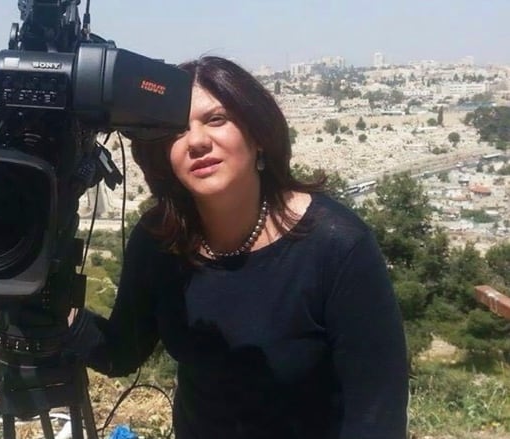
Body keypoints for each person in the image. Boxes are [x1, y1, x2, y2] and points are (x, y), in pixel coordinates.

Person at [68, 56, 409, 438]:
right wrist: (51, 310)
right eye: (177, 129)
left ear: (258, 133)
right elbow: (121, 351)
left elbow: (377, 414)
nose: (196, 141)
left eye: (217, 120)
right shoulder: (160, 240)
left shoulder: (337, 245)